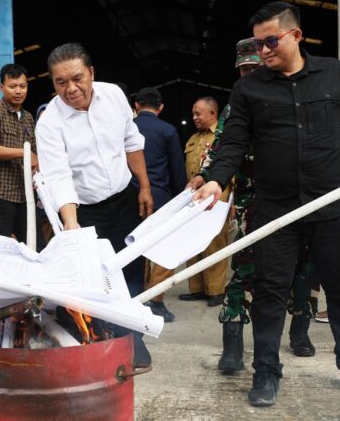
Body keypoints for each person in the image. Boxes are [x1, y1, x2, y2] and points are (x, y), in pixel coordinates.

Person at [195, 2, 340, 406]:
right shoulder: (249, 88)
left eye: (271, 41)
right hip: (275, 209)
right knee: (269, 293)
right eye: (258, 43)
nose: (263, 51)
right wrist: (216, 179)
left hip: (331, 204)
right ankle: (266, 372)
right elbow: (233, 141)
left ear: (295, 36)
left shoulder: (334, 74)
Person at [190, 38, 317, 375]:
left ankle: (300, 331)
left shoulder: (296, 98)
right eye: (243, 69)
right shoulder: (236, 106)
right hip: (254, 203)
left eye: (254, 68)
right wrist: (207, 176)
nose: (249, 74)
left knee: (302, 269)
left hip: (298, 202)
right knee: (245, 269)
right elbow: (221, 148)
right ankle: (232, 346)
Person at [35, 43, 154, 367]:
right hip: (84, 209)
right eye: (61, 83)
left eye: (77, 78)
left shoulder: (114, 96)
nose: (71, 89)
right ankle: (97, 340)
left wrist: (143, 186)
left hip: (124, 198)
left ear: (91, 73)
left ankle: (133, 339)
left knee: (130, 270)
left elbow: (132, 142)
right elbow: (58, 175)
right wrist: (71, 224)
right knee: (92, 278)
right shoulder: (49, 123)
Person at [133, 86, 187, 322]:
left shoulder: (126, 129)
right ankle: (156, 300)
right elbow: (177, 168)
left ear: (136, 106)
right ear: (161, 107)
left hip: (129, 197)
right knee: (165, 248)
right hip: (161, 197)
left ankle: (135, 297)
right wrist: (180, 198)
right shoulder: (168, 130)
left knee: (135, 248)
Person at [179, 97, 230, 307]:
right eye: (193, 113)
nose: (194, 118)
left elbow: (232, 171)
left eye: (198, 114)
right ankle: (197, 288)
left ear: (213, 114)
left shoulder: (224, 136)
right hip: (194, 199)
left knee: (214, 244)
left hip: (217, 197)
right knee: (194, 243)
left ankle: (216, 290)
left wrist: (233, 203)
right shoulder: (193, 138)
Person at [0, 63, 36, 243]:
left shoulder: (27, 117)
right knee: (2, 249)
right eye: (12, 86)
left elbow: (34, 153)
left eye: (23, 86)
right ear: (2, 87)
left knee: (30, 247)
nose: (18, 91)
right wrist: (25, 153)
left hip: (24, 196)